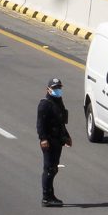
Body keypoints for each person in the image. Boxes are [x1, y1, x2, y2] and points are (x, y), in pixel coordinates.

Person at [37, 77, 72, 207]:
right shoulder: (45, 104)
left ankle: (51, 195)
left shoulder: (58, 102)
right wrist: (43, 139)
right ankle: (46, 197)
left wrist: (67, 136)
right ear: (48, 89)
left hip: (58, 140)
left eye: (59, 88)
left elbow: (61, 122)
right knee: (49, 169)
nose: (58, 90)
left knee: (54, 168)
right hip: (49, 141)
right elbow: (40, 124)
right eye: (55, 88)